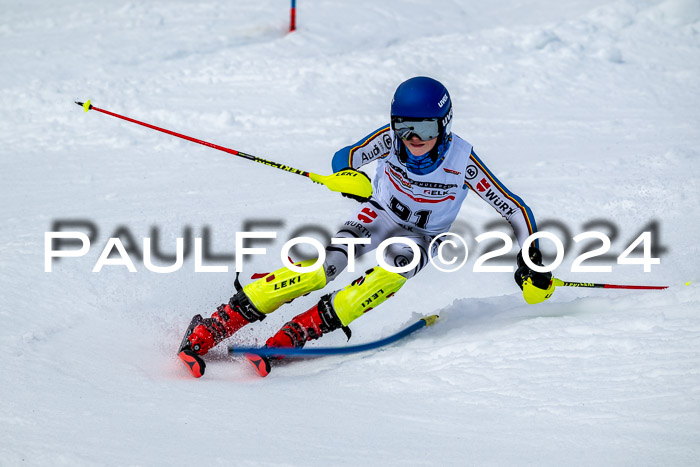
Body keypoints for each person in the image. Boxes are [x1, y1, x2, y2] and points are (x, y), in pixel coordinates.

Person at [177, 76, 556, 378]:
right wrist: (347, 178)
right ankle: (219, 322)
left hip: (420, 237)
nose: (414, 141)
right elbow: (347, 157)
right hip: (378, 216)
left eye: (425, 129)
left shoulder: (463, 160)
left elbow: (514, 208)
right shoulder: (389, 142)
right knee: (322, 269)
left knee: (391, 272)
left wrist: (532, 260)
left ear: (444, 125)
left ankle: (297, 333)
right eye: (405, 129)